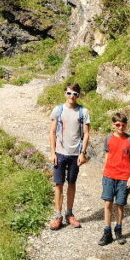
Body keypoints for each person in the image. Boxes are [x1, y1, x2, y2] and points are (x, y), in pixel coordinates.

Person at [48, 82, 90, 230]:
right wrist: (53, 153)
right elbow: (52, 132)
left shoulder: (83, 112)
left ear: (79, 95)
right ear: (65, 93)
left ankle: (69, 213)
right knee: (58, 184)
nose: (72, 96)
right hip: (60, 153)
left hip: (75, 155)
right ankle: (58, 216)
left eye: (75, 94)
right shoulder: (58, 110)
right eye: (69, 93)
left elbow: (86, 134)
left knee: (71, 183)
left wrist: (83, 153)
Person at [98, 112, 130, 246]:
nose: (120, 127)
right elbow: (107, 155)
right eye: (117, 125)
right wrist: (104, 170)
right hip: (109, 175)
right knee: (107, 203)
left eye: (123, 125)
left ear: (126, 125)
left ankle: (118, 230)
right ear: (113, 125)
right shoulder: (108, 138)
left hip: (124, 177)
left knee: (120, 204)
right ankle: (107, 232)